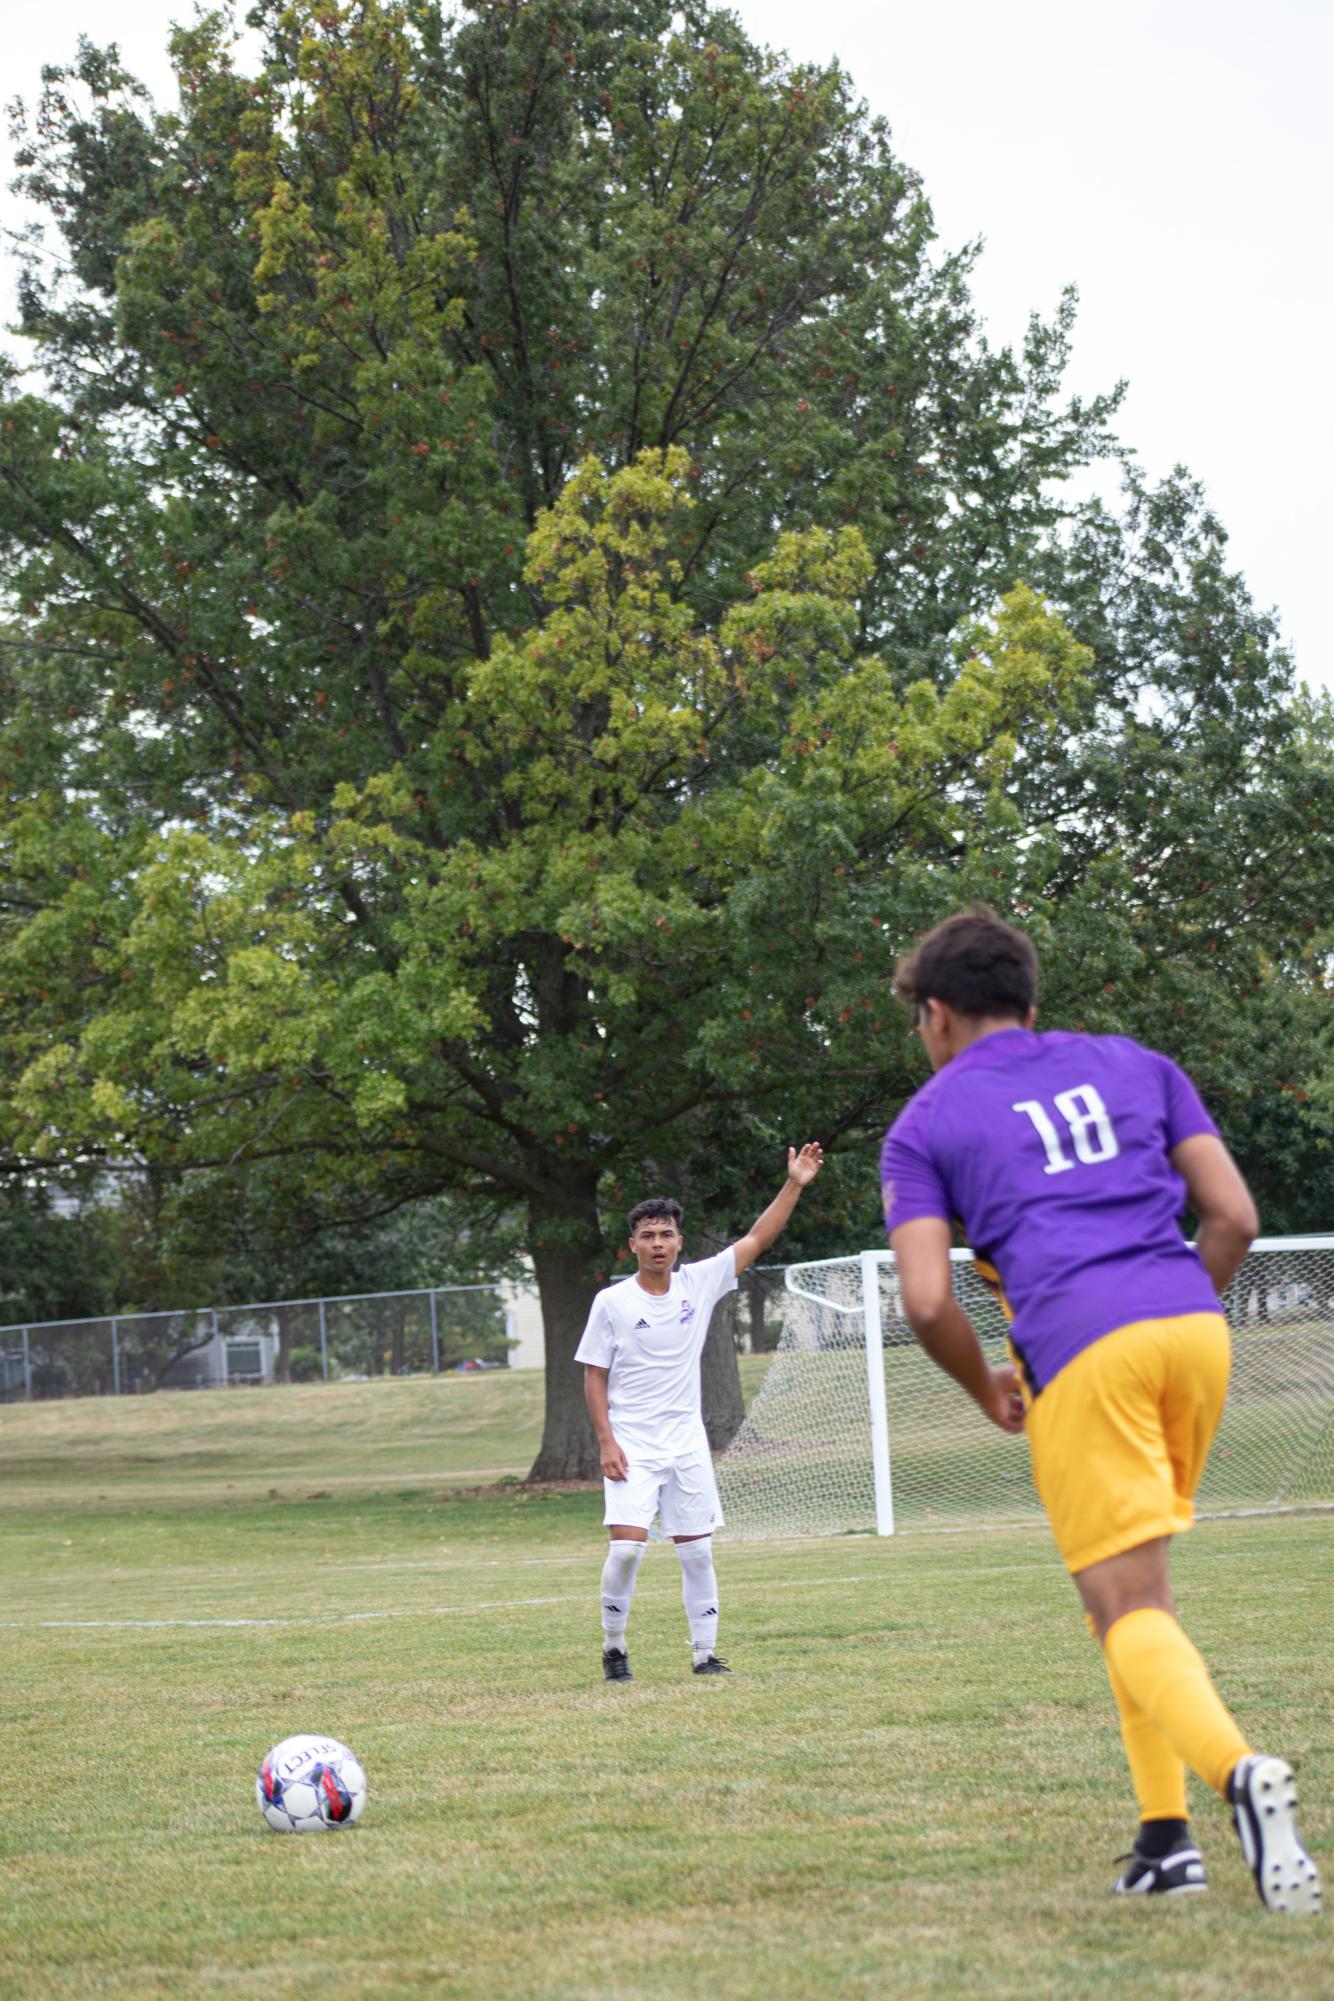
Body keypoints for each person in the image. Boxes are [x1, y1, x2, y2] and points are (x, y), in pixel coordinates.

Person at [880, 905, 1321, 1916]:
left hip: (1082, 1349)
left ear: (936, 1015)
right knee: (1128, 1601)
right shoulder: (1134, 1064)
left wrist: (986, 1381)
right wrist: (1169, 1306)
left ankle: (1237, 1775)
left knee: (1127, 1607)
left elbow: (925, 1299)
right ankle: (1163, 1841)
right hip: (1193, 1330)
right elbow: (1234, 1217)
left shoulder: (925, 1124)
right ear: (1029, 1006)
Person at [576, 1146, 824, 1681]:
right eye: (648, 1235)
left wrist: (795, 1185)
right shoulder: (612, 1303)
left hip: (686, 1443)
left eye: (666, 1234)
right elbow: (594, 1374)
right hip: (632, 1445)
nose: (658, 1243)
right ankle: (614, 1647)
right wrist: (606, 1441)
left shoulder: (699, 1282)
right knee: (625, 1551)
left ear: (679, 1242)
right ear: (633, 1245)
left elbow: (758, 1238)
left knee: (697, 1553)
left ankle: (704, 1655)